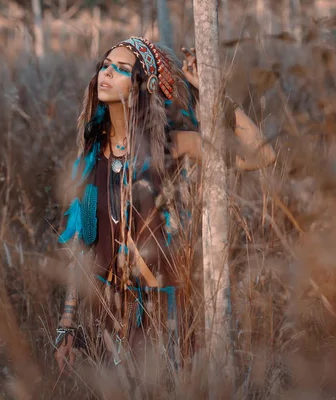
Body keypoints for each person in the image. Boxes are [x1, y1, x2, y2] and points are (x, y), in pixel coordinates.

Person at [53, 37, 276, 374]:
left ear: (143, 86)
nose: (107, 74)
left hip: (165, 312)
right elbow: (80, 243)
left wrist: (210, 92)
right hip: (108, 314)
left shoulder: (171, 145)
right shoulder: (93, 154)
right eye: (105, 65)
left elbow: (262, 156)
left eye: (122, 70)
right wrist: (67, 324)